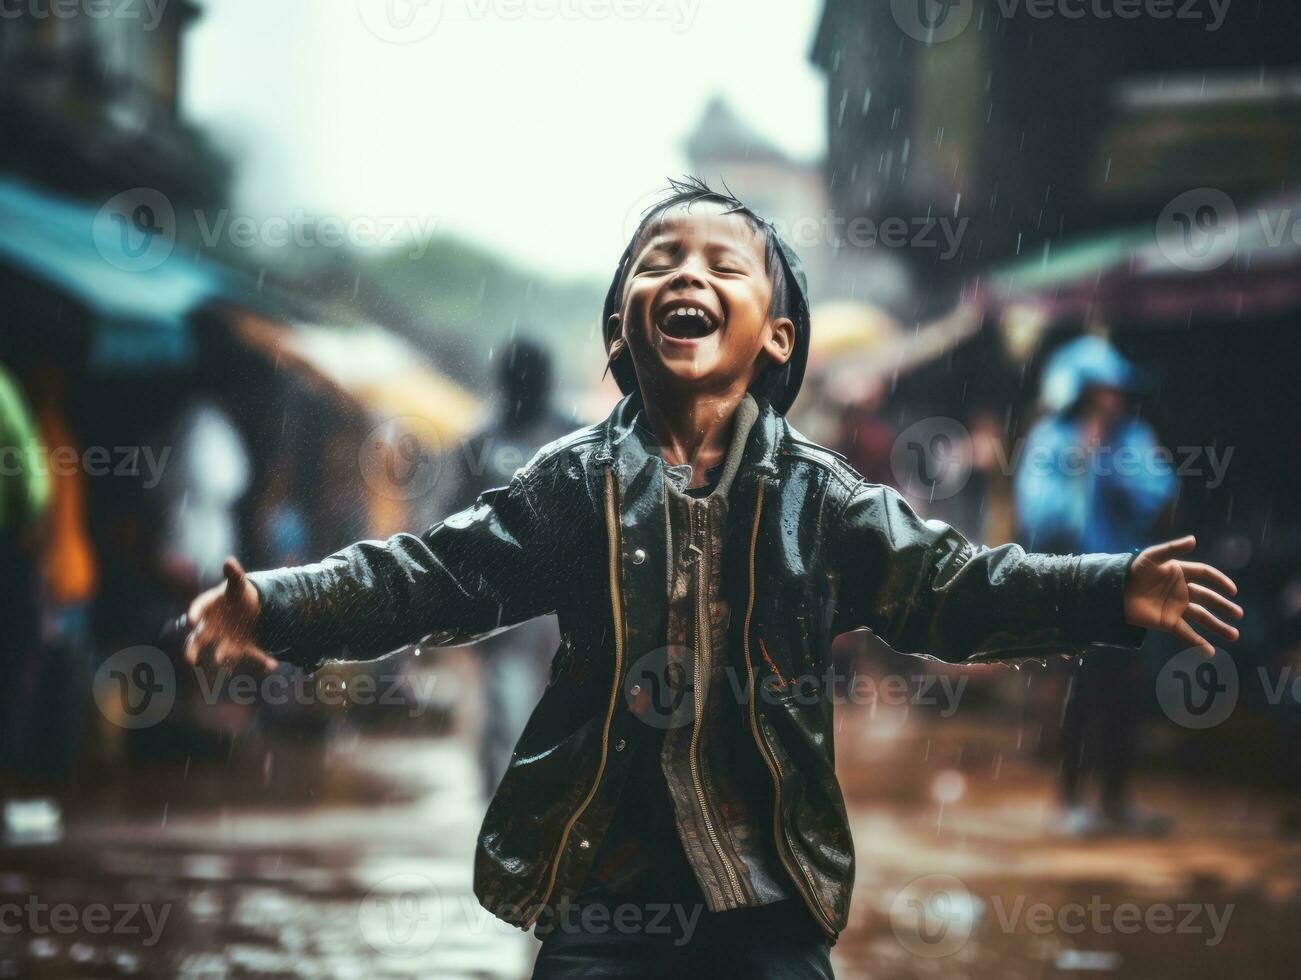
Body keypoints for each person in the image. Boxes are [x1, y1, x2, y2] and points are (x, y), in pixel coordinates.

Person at [181, 179, 1242, 979]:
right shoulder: (569, 486)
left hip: (767, 895)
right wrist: (275, 604)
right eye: (657, 260)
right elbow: (426, 575)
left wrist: (1107, 589)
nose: (685, 274)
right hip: (599, 893)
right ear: (616, 327)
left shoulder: (819, 499)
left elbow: (955, 590)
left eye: (722, 264)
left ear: (775, 334)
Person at [1015, 334, 1179, 838]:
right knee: (1076, 695)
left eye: (1116, 389)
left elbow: (1160, 496)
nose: (1112, 398)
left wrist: (1110, 464)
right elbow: (1038, 516)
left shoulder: (1133, 438)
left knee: (1124, 693)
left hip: (1127, 588)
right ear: (1081, 391)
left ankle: (1116, 799)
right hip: (1070, 588)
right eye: (1102, 388)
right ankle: (1070, 799)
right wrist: (1078, 466)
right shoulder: (1050, 440)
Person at [435, 339, 574, 799]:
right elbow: (447, 524)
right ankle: (505, 809)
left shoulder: (575, 439)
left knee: (560, 708)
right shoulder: (478, 442)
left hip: (567, 606)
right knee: (505, 710)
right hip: (503, 608)